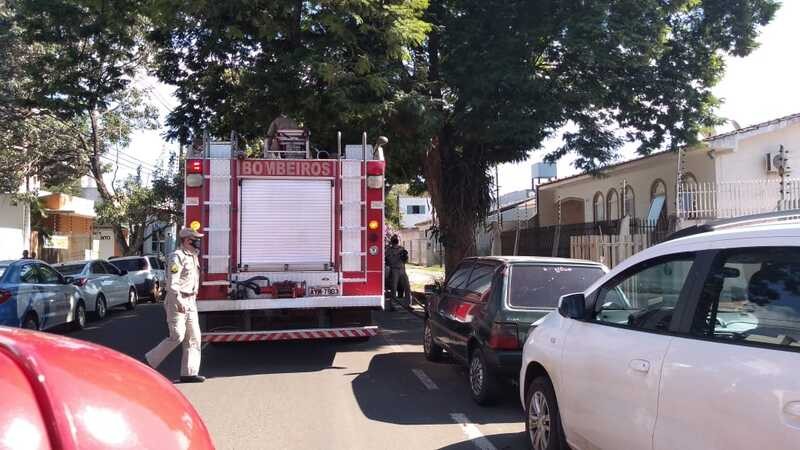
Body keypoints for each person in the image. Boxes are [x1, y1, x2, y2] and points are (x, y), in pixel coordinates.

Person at [145, 227, 205, 383]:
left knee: (194, 338)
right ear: (186, 240)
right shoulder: (177, 257)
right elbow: (172, 284)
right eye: (195, 239)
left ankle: (189, 373)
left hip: (191, 300)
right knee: (177, 336)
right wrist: (179, 301)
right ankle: (148, 363)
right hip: (177, 299)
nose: (198, 242)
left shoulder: (193, 256)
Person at [385, 235, 410, 311]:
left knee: (407, 287)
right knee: (394, 288)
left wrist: (405, 256)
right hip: (394, 269)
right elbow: (388, 261)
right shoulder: (389, 250)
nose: (395, 240)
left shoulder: (401, 248)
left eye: (396, 239)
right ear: (392, 241)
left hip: (402, 269)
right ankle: (392, 305)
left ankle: (408, 304)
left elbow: (405, 260)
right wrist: (397, 256)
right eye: (394, 239)